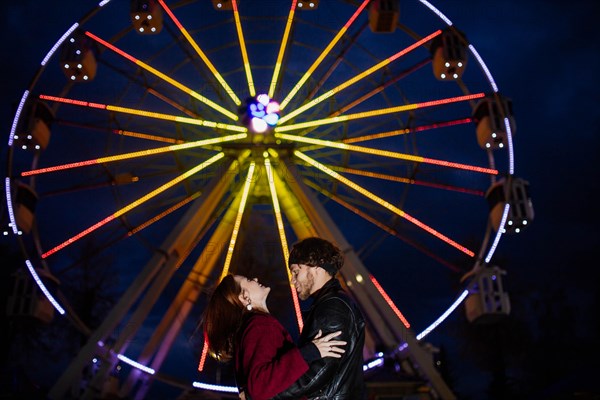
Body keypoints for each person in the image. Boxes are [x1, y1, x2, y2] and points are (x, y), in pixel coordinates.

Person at [203, 274, 346, 400]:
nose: (256, 278)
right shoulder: (259, 325)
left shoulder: (251, 328)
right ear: (245, 297)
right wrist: (310, 351)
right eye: (248, 280)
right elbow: (259, 386)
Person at [273, 237, 366, 400]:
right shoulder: (331, 304)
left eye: (296, 271)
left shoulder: (333, 307)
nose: (292, 281)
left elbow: (319, 372)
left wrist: (268, 394)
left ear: (316, 266)